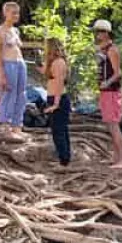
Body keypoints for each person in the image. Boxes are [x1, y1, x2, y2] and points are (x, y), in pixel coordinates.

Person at [93, 19, 122, 169]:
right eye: (96, 32)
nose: (97, 35)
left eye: (99, 32)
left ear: (106, 33)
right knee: (109, 125)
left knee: (114, 125)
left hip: (112, 91)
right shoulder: (102, 50)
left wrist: (107, 83)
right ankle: (115, 157)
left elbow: (117, 73)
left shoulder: (112, 50)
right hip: (106, 91)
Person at [0, 1, 26, 138]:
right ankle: (6, 124)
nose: (16, 16)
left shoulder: (15, 31)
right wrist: (1, 74)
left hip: (20, 63)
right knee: (8, 93)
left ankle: (17, 125)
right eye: (13, 13)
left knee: (21, 94)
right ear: (5, 13)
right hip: (8, 63)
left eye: (17, 13)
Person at [42, 38, 71, 166]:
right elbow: (48, 74)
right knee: (60, 130)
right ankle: (65, 157)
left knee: (58, 131)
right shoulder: (54, 62)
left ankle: (63, 160)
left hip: (58, 98)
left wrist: (56, 104)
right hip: (54, 97)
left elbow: (59, 83)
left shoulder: (59, 63)